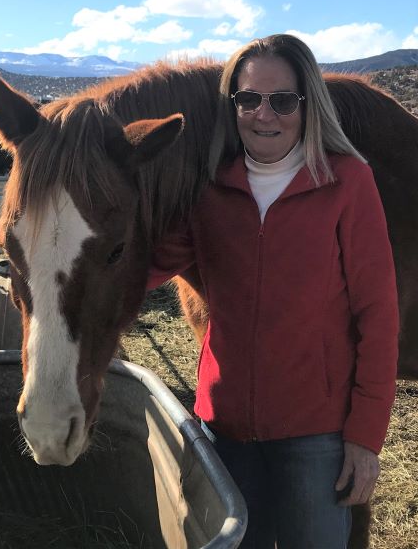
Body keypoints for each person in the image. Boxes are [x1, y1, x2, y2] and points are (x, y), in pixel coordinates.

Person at [148, 34, 399, 548]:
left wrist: (365, 437)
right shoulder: (208, 188)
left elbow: (378, 314)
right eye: (248, 99)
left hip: (316, 436)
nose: (265, 114)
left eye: (283, 100)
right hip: (224, 431)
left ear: (308, 106)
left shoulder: (347, 182)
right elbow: (142, 269)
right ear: (232, 104)